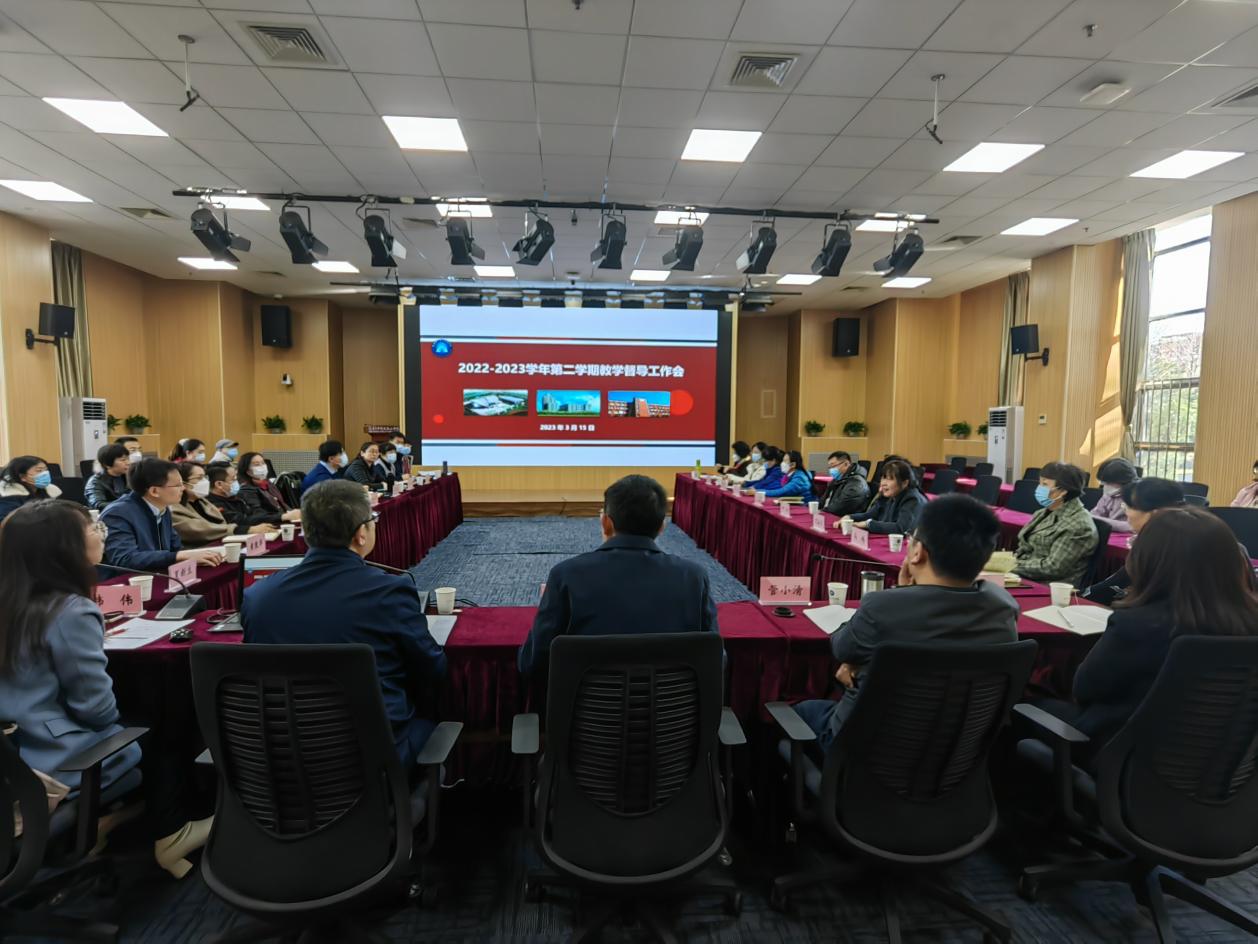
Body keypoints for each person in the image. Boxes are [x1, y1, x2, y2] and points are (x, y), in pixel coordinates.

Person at [0, 501, 212, 878]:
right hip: (57, 762)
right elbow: (97, 711)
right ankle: (172, 832)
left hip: (14, 758)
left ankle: (109, 824)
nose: (102, 534)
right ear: (64, 547)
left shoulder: (12, 600)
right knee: (167, 721)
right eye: (93, 528)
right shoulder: (69, 610)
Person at [792, 495, 1019, 754]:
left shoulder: (882, 608)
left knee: (800, 711)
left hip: (865, 750)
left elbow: (842, 647)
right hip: (958, 755)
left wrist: (900, 593)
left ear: (917, 552)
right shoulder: (1004, 607)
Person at [242, 481, 446, 767]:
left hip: (278, 760)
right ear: (361, 534)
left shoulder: (257, 597)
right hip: (372, 758)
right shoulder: (388, 592)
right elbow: (431, 667)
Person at [1067, 508, 1258, 755]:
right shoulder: (1249, 623)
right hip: (1225, 763)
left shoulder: (1136, 625)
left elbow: (1084, 689)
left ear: (1148, 560)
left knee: (1038, 707)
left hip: (1124, 757)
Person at [519, 474, 720, 676]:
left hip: (587, 697)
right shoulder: (694, 577)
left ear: (606, 523)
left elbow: (532, 663)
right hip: (673, 697)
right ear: (661, 527)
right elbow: (716, 660)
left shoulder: (565, 575)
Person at [100, 458, 223, 571]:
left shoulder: (161, 506)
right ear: (154, 491)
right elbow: (125, 558)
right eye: (178, 485)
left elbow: (175, 547)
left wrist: (192, 556)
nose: (183, 488)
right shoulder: (117, 514)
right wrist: (179, 556)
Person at [1081, 478, 1185, 606]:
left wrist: (1078, 597)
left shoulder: (1160, 549)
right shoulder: (1161, 540)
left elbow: (1116, 586)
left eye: (1128, 506)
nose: (1126, 513)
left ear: (1154, 514)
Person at [1013, 461, 1099, 586]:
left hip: (1050, 586)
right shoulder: (1042, 513)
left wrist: (1011, 565)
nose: (1039, 488)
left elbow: (1053, 567)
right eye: (1039, 483)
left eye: (1044, 484)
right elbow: (1024, 548)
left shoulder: (1079, 525)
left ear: (1063, 491)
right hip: (1023, 575)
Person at [171, 462, 269, 546]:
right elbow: (200, 530)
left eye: (205, 477)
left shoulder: (202, 501)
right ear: (183, 483)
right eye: (199, 478)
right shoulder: (174, 509)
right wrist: (246, 530)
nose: (205, 482)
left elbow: (220, 523)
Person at [849, 459, 926, 535]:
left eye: (890, 479)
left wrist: (868, 524)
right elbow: (870, 515)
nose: (883, 483)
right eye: (884, 478)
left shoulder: (912, 499)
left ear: (905, 483)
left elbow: (901, 528)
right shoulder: (890, 494)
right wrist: (849, 517)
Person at [237, 451, 300, 527]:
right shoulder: (247, 490)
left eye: (263, 463)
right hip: (270, 525)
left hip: (283, 522)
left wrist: (294, 513)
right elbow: (258, 515)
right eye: (257, 464)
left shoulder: (268, 483)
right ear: (247, 471)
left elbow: (282, 504)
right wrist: (284, 516)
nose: (262, 466)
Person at [0, 456, 61, 522]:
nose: (45, 474)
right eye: (39, 471)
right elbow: (7, 522)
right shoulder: (9, 496)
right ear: (22, 476)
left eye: (46, 470)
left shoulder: (51, 491)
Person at [1091, 457, 1138, 533]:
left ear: (1123, 481)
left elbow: (1132, 526)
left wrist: (1102, 522)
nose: (1105, 486)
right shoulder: (1109, 496)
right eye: (1103, 483)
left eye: (1108, 483)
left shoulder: (1137, 497)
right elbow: (1094, 515)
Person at [820, 451, 870, 517]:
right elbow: (823, 500)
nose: (831, 470)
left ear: (846, 464)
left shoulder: (856, 483)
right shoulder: (837, 479)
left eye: (833, 466)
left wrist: (821, 512)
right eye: (829, 467)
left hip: (843, 519)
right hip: (829, 514)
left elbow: (839, 508)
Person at [84, 443, 130, 510]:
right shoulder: (95, 482)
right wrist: (126, 505)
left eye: (128, 459)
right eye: (123, 460)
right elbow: (98, 504)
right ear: (107, 464)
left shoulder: (128, 477)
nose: (128, 463)